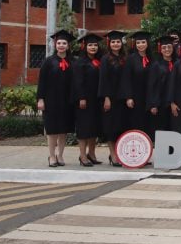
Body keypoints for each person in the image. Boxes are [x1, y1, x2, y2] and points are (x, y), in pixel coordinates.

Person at [37, 29, 76, 167]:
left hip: (67, 101)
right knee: (52, 129)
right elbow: (42, 82)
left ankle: (60, 155)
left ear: (68, 45)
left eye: (64, 43)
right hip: (51, 100)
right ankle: (52, 156)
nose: (61, 45)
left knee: (63, 130)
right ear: (55, 45)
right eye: (59, 43)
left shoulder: (73, 62)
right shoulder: (49, 62)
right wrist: (40, 99)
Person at [72, 32, 104, 166]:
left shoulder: (99, 60)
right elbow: (78, 82)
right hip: (84, 100)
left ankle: (92, 154)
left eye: (95, 45)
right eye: (90, 45)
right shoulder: (80, 62)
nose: (93, 47)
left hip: (97, 99)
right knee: (84, 128)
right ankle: (82, 156)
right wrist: (81, 98)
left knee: (94, 127)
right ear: (85, 47)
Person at [98, 30, 127, 166]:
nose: (116, 44)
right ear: (110, 43)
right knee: (111, 127)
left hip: (122, 99)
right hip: (111, 98)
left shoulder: (124, 58)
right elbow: (103, 80)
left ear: (122, 43)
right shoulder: (105, 59)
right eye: (114, 42)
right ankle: (113, 155)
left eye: (118, 42)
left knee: (120, 127)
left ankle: (118, 153)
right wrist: (106, 98)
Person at [121, 31, 153, 136]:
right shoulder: (131, 59)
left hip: (149, 96)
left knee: (149, 121)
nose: (141, 45)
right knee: (136, 121)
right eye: (138, 43)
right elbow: (126, 79)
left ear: (147, 43)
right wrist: (129, 97)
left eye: (143, 42)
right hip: (136, 97)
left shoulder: (152, 58)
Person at [145, 35, 175, 139]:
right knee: (162, 128)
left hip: (175, 102)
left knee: (174, 129)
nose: (167, 49)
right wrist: (153, 104)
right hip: (161, 103)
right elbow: (152, 86)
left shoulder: (177, 63)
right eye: (164, 47)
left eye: (169, 47)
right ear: (160, 49)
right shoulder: (156, 65)